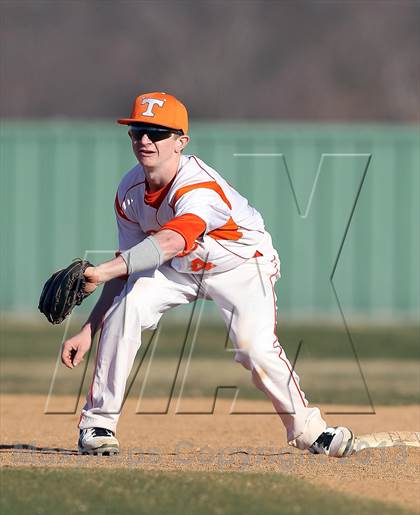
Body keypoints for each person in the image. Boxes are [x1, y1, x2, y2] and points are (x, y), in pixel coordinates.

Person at [62, 92, 355, 458]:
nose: (145, 140)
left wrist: (101, 271)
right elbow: (131, 266)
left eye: (157, 132)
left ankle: (312, 432)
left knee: (254, 348)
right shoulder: (129, 192)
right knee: (128, 308)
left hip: (241, 265)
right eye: (137, 130)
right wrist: (89, 330)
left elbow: (170, 240)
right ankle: (98, 423)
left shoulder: (197, 186)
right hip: (180, 268)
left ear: (181, 141)